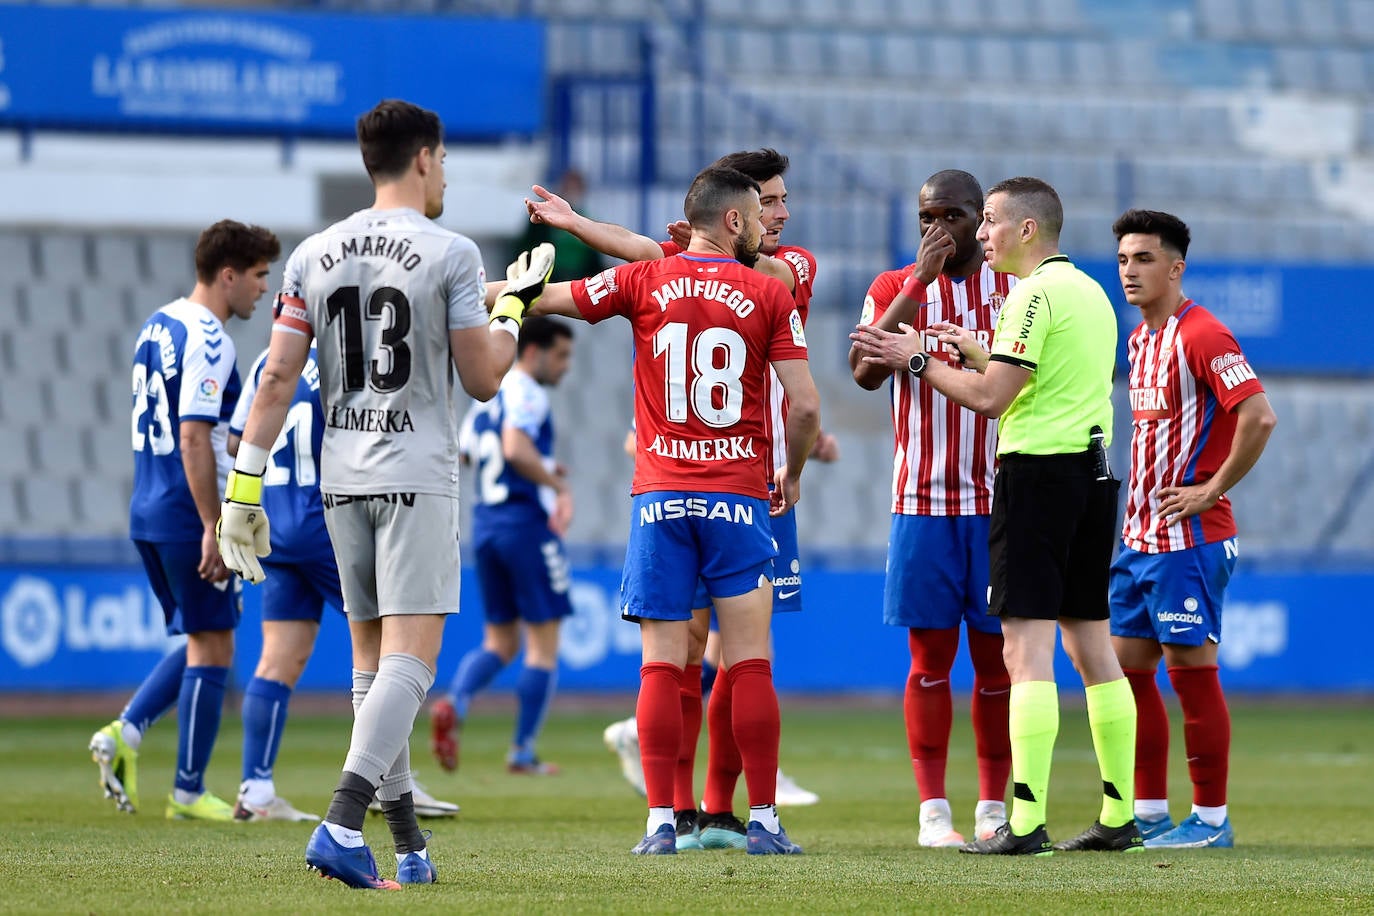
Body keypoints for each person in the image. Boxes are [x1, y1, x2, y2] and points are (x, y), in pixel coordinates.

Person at [216, 99, 555, 889]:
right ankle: (340, 823)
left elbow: (274, 377)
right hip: (413, 473)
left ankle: (406, 845)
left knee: (372, 665)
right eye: (447, 164)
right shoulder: (452, 252)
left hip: (341, 476)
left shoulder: (313, 253)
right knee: (413, 659)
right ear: (427, 158)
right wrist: (514, 306)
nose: (448, 178)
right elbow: (481, 378)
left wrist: (244, 489)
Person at [528, 148, 831, 845]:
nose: (772, 220)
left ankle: (664, 820)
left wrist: (478, 291)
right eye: (763, 211)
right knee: (750, 658)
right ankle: (762, 819)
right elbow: (806, 407)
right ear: (735, 219)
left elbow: (561, 294)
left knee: (665, 663)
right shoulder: (772, 290)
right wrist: (793, 474)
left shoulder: (647, 279)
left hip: (660, 496)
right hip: (739, 497)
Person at [850, 176, 1141, 856]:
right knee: (1091, 648)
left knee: (1019, 655)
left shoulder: (1027, 293)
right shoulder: (1092, 292)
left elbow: (991, 397)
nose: (968, 233)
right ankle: (1119, 813)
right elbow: (1030, 377)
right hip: (1084, 476)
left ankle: (1021, 819)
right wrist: (945, 328)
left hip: (1028, 483)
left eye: (979, 220)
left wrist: (920, 356)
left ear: (1026, 228)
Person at [89, 219, 280, 822]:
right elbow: (193, 436)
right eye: (257, 277)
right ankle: (189, 790)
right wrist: (211, 523)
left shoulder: (157, 323)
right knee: (215, 644)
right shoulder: (211, 338)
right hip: (183, 510)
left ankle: (129, 733)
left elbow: (195, 429)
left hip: (147, 505)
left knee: (209, 638)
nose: (263, 291)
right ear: (228, 275)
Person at [847, 169, 1014, 848]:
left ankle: (994, 807)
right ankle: (933, 812)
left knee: (999, 664)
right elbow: (862, 372)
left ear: (981, 220)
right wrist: (917, 283)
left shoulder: (1015, 292)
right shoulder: (894, 288)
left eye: (950, 215)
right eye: (925, 217)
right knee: (928, 664)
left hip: (1000, 503)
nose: (935, 228)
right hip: (919, 503)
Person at [229, 346, 459, 822]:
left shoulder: (268, 358)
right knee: (392, 651)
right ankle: (384, 783)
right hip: (328, 519)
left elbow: (238, 440)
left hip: (277, 518)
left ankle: (255, 789)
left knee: (278, 658)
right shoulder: (345, 351)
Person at [1109, 209, 1276, 849]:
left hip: (1190, 541)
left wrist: (1211, 490)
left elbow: (1259, 417)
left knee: (1191, 673)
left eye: (1144, 259)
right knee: (1129, 671)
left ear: (1175, 267)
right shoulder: (1139, 337)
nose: (1130, 270)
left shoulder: (1204, 334)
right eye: (1124, 259)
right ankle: (1149, 812)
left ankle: (1210, 821)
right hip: (1138, 537)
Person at [430, 315, 576, 776]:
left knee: (500, 640)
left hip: (487, 526)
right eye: (561, 355)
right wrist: (554, 482)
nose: (566, 367)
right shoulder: (527, 391)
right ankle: (522, 751)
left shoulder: (487, 398)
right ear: (534, 352)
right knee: (542, 645)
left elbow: (467, 454)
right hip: (526, 525)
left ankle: (456, 700)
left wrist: (541, 464)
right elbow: (514, 449)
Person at [512, 168, 607, 282]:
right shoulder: (543, 215)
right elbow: (527, 246)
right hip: (547, 276)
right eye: (569, 187)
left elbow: (595, 257)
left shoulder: (587, 218)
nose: (572, 192)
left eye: (576, 188)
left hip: (579, 278)